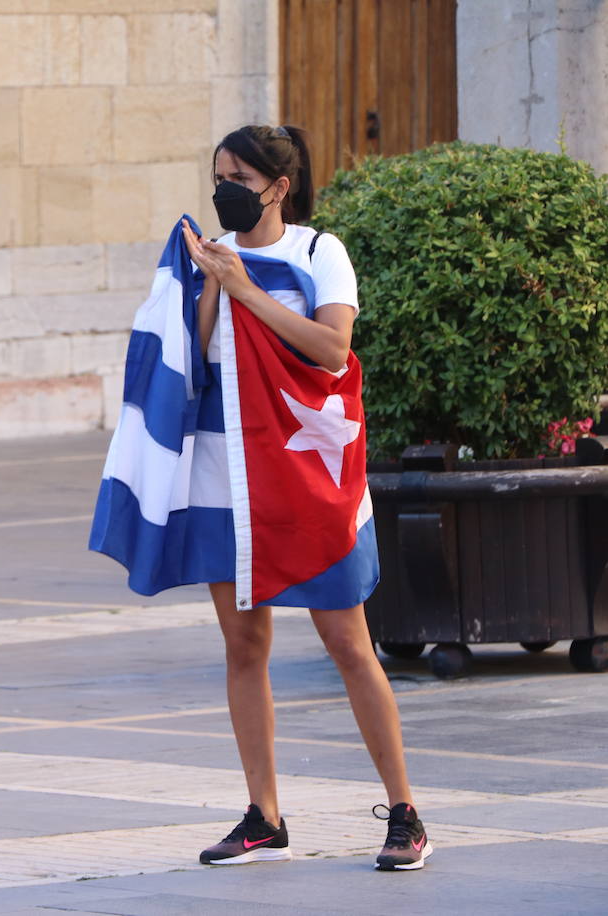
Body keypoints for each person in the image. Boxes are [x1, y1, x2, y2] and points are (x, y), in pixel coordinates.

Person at [179, 126, 430, 871]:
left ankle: (406, 811)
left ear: (279, 187)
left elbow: (332, 351)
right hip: (228, 471)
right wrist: (203, 285)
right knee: (243, 644)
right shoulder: (209, 253)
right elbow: (193, 360)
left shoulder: (320, 253)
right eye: (218, 173)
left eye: (240, 176)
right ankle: (264, 815)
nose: (225, 188)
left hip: (305, 468)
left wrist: (245, 288)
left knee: (348, 642)